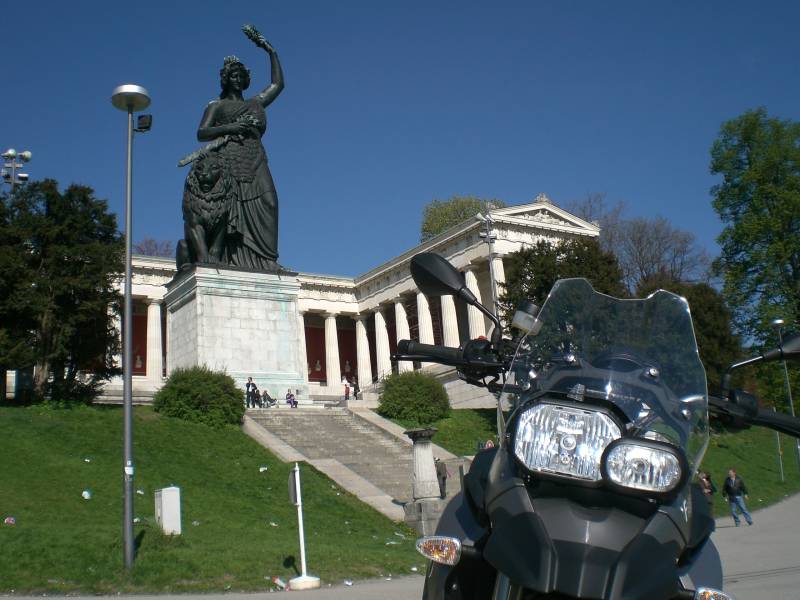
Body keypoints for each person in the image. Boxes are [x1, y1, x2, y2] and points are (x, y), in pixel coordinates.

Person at [195, 25, 284, 272]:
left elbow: (278, 84)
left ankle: (267, 260)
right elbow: (202, 133)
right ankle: (233, 258)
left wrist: (270, 51)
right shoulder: (217, 106)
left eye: (240, 75)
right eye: (232, 75)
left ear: (245, 79)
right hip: (229, 158)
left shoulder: (256, 102)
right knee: (232, 210)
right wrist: (233, 127)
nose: (237, 79)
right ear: (226, 79)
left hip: (255, 157)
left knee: (270, 202)